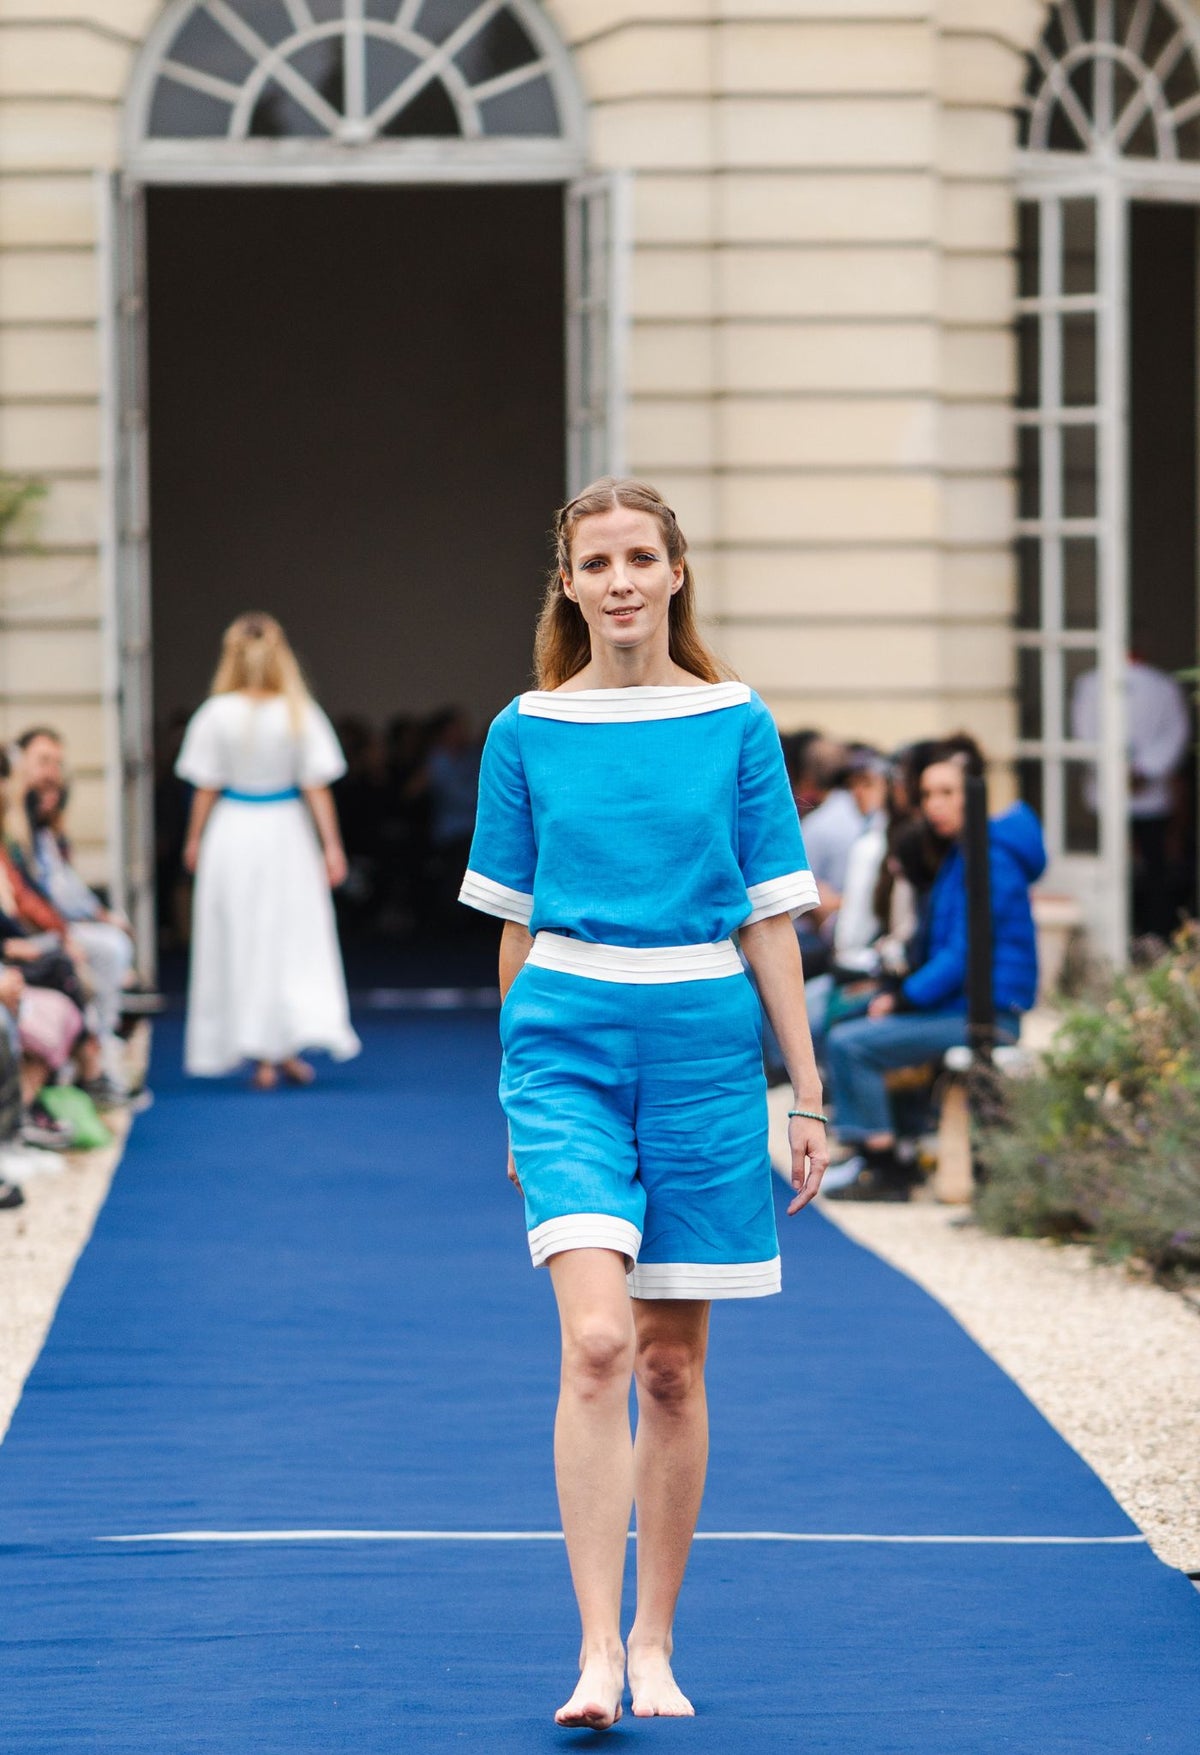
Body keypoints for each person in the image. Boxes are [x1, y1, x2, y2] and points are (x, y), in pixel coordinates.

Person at [459, 477, 828, 1729]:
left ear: (676, 573)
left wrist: (808, 1091)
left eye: (638, 558)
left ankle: (658, 1640)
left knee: (670, 1367)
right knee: (600, 1343)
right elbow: (510, 933)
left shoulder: (736, 721)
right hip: (562, 1039)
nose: (618, 581)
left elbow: (771, 916)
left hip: (704, 1049)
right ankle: (596, 1651)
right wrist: (516, 1098)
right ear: (567, 584)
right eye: (594, 563)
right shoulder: (525, 731)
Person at [824, 745, 1046, 1202]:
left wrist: (904, 998)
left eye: (947, 792)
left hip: (987, 1015)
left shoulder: (991, 858)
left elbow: (964, 953)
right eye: (927, 794)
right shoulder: (964, 853)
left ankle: (886, 1166)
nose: (934, 805)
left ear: (975, 796)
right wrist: (895, 989)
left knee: (852, 1042)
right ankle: (889, 1149)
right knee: (848, 1017)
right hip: (959, 1005)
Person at [175, 613, 360, 1088]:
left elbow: (205, 786)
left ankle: (263, 1053)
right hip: (287, 834)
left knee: (243, 938)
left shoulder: (215, 714)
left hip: (232, 834)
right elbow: (317, 787)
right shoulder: (298, 711)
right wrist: (332, 846)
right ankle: (283, 1048)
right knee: (289, 938)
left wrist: (194, 839)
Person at [11, 729, 136, 1102]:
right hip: (27, 933)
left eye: (57, 764)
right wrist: (61, 931)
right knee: (89, 954)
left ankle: (97, 1051)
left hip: (40, 928)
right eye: (43, 761)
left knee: (103, 946)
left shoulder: (42, 819)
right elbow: (24, 897)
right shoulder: (15, 826)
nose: (52, 773)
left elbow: (61, 886)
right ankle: (91, 1063)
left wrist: (92, 915)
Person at [1071, 656, 1193, 939]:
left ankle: (1153, 935)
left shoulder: (1162, 685)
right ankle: (1126, 935)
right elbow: (1084, 732)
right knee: (1113, 867)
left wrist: (1143, 770)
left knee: (1153, 870)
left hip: (1149, 798)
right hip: (1109, 794)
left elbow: (1175, 734)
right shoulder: (1091, 684)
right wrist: (1127, 772)